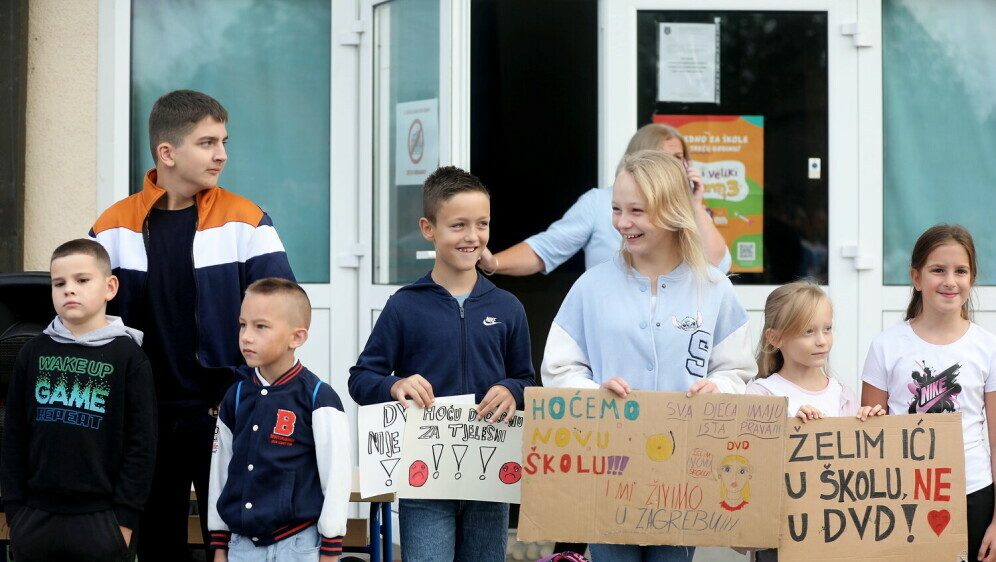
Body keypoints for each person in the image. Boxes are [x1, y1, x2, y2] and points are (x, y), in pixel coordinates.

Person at [89, 89, 296, 561]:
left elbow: (283, 317)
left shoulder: (247, 221)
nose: (222, 154)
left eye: (223, 142)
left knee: (235, 544)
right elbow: (87, 322)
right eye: (207, 143)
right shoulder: (112, 227)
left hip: (225, 413)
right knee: (157, 546)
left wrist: (243, 388)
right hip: (144, 417)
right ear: (167, 153)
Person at [541, 150, 756, 562]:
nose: (622, 223)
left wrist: (719, 387)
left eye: (636, 211)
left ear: (673, 210)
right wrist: (592, 393)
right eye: (616, 209)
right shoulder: (590, 287)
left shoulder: (714, 288)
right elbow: (559, 369)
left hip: (685, 475)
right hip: (607, 471)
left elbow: (737, 369)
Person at [348, 166, 535, 562]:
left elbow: (527, 381)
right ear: (428, 229)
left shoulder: (508, 308)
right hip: (424, 480)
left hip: (490, 480)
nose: (473, 236)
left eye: (482, 223)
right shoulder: (405, 306)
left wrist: (512, 390)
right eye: (458, 225)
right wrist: (394, 385)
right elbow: (361, 379)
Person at [0, 239, 157, 562]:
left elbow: (141, 444)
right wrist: (15, 511)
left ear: (110, 287)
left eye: (82, 280)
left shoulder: (129, 357)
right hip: (35, 518)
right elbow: (14, 434)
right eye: (59, 283)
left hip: (102, 521)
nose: (69, 289)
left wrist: (124, 520)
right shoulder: (32, 352)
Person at [862, 224, 996, 562]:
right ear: (916, 278)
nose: (950, 281)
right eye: (938, 270)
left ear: (972, 278)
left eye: (960, 271)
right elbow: (868, 439)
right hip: (901, 496)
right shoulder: (886, 346)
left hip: (973, 494)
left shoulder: (988, 347)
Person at [208, 278, 350, 562]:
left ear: (296, 338)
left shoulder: (318, 398)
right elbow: (220, 471)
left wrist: (330, 550)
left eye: (260, 326)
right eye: (243, 324)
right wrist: (219, 543)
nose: (246, 337)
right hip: (242, 546)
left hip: (298, 546)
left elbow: (336, 478)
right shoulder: (235, 396)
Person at [744, 281, 883, 561]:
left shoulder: (843, 394)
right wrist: (789, 428)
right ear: (775, 338)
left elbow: (857, 468)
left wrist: (870, 428)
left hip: (837, 531)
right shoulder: (762, 394)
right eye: (808, 331)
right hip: (781, 536)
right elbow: (751, 464)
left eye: (827, 329)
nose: (822, 340)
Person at [477, 123, 730, 276]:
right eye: (617, 210)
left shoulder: (686, 207)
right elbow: (547, 248)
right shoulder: (597, 203)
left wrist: (695, 205)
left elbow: (717, 265)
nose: (623, 222)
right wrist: (493, 263)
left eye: (679, 158)